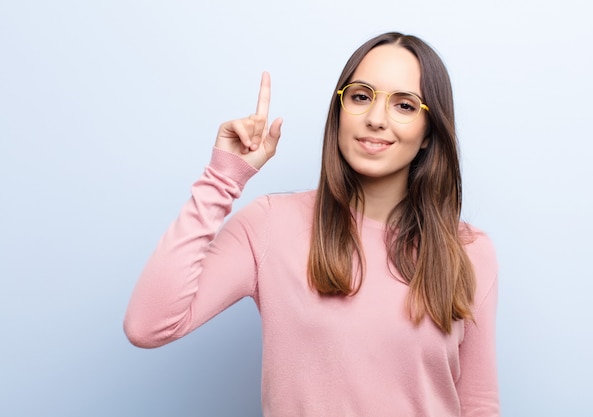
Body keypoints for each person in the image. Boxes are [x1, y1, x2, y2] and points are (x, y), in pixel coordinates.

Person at [124, 32, 500, 416]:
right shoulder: (270, 225)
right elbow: (148, 325)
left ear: (428, 134)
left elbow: (477, 403)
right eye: (361, 96)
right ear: (339, 112)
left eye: (404, 105)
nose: (375, 119)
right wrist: (223, 178)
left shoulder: (470, 251)